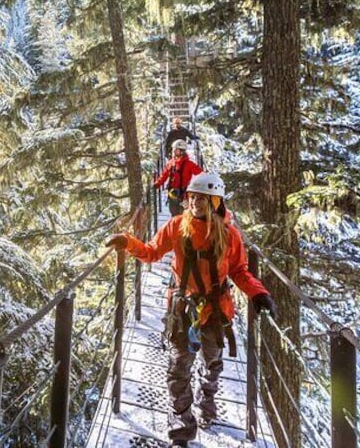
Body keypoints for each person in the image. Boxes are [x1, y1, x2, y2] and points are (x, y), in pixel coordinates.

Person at [106, 172, 277, 447]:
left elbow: (239, 271)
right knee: (178, 368)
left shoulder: (230, 235)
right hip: (183, 310)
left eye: (202, 198)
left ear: (215, 201)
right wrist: (128, 242)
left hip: (216, 310)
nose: (195, 202)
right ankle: (181, 430)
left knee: (212, 365)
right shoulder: (176, 226)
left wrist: (258, 293)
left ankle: (206, 400)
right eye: (192, 197)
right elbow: (152, 252)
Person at [153, 140, 202, 217]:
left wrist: (207, 178)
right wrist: (157, 184)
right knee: (174, 213)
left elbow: (200, 173)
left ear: (182, 151)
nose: (174, 151)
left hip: (184, 195)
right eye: (174, 150)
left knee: (184, 215)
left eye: (176, 150)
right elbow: (164, 175)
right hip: (172, 193)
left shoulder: (189, 164)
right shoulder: (171, 163)